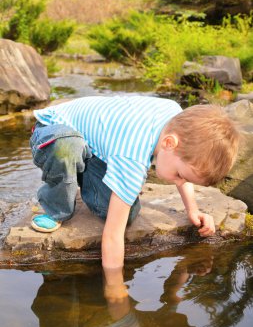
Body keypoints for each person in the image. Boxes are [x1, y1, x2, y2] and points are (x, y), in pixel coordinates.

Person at [30, 96, 240, 273]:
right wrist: (114, 287)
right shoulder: (132, 156)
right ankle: (57, 208)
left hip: (95, 148)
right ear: (168, 143)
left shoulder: (177, 120)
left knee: (127, 213)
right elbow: (113, 234)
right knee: (67, 146)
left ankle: (84, 173)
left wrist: (192, 209)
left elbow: (183, 165)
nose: (180, 181)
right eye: (179, 175)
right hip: (53, 130)